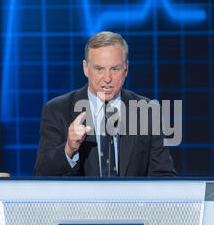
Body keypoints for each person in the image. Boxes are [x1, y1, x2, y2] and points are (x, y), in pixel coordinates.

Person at [33, 31, 177, 177]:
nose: (107, 78)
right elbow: (41, 175)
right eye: (99, 69)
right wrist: (69, 148)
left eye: (115, 69)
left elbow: (164, 176)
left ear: (126, 69)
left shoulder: (148, 112)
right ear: (85, 68)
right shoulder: (56, 110)